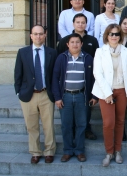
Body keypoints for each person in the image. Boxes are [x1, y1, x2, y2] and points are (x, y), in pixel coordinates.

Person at [92, 24, 127, 167]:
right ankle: (109, 152)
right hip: (105, 92)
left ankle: (118, 151)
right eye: (111, 34)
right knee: (108, 123)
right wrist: (108, 93)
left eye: (117, 34)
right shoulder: (100, 51)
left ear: (120, 36)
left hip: (123, 90)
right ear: (106, 36)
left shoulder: (126, 51)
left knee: (120, 122)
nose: (114, 37)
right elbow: (97, 73)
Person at [14, 25, 57, 164]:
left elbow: (54, 75)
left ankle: (49, 151)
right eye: (35, 34)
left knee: (48, 125)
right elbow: (18, 74)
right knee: (31, 125)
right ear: (31, 36)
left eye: (41, 34)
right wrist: (18, 91)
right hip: (28, 95)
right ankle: (35, 152)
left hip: (46, 93)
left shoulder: (52, 52)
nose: (38, 36)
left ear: (45, 35)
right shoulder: (22, 52)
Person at [51, 33, 96, 162]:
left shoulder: (88, 58)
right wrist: (57, 97)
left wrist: (93, 96)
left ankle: (80, 151)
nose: (75, 44)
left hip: (82, 96)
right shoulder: (61, 58)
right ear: (67, 44)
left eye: (77, 42)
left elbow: (93, 79)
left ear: (81, 44)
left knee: (81, 124)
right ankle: (68, 150)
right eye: (72, 42)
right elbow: (55, 78)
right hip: (65, 96)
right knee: (66, 125)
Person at [57, 13, 99, 140]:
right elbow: (60, 60)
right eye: (78, 22)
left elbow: (97, 60)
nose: (80, 24)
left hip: (87, 80)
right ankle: (74, 132)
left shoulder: (92, 40)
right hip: (69, 82)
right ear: (73, 24)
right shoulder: (65, 40)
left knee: (86, 109)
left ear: (86, 24)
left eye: (83, 22)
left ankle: (86, 129)